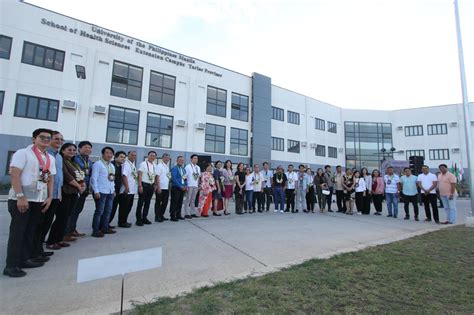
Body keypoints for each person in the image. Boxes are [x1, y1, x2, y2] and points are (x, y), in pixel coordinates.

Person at [4, 128, 56, 277]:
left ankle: (25, 259)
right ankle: (11, 265)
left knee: (30, 231)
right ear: (34, 139)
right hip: (21, 200)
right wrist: (20, 196)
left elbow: (50, 178)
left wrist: (50, 197)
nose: (46, 140)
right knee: (18, 233)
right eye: (42, 137)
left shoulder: (49, 158)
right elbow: (14, 174)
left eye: (48, 138)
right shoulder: (23, 153)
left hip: (39, 200)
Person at [47, 143, 86, 248]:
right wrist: (79, 186)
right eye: (69, 150)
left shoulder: (73, 163)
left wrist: (82, 184)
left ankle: (59, 239)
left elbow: (80, 175)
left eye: (74, 150)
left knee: (66, 217)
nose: (72, 152)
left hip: (74, 193)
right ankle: (51, 241)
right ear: (63, 150)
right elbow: (67, 176)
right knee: (61, 217)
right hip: (65, 192)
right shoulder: (61, 161)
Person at [38, 131, 63, 255]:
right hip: (44, 195)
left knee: (47, 222)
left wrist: (58, 194)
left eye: (61, 139)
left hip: (55, 195)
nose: (59, 141)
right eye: (56, 138)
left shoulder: (58, 157)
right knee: (40, 223)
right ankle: (35, 249)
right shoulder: (46, 155)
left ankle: (38, 249)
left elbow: (58, 177)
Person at [66, 140, 92, 238]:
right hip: (75, 188)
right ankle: (66, 232)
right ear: (80, 149)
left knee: (78, 210)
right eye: (85, 147)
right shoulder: (75, 159)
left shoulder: (89, 161)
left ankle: (72, 229)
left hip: (85, 189)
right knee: (71, 211)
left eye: (89, 148)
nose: (87, 149)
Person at [90, 147, 116, 237]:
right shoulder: (98, 164)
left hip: (110, 192)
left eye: (111, 153)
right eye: (107, 153)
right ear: (103, 154)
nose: (109, 155)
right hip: (101, 191)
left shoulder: (111, 165)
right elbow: (93, 178)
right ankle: (95, 230)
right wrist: (96, 191)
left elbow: (112, 179)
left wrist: (113, 190)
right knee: (99, 212)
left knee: (108, 211)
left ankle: (105, 228)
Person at [135, 151, 157, 226]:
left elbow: (154, 176)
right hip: (144, 185)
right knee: (141, 203)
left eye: (154, 156)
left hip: (151, 185)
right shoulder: (143, 164)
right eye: (151, 155)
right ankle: (138, 219)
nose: (152, 157)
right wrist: (140, 185)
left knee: (147, 203)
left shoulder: (154, 165)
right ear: (148, 156)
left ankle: (144, 218)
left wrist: (155, 185)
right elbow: (139, 175)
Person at [118, 151, 137, 227]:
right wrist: (126, 187)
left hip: (131, 190)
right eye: (132, 155)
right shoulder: (126, 164)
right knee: (124, 207)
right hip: (126, 190)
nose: (134, 156)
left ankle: (124, 220)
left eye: (135, 155)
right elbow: (124, 176)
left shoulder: (132, 165)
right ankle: (121, 222)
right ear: (128, 155)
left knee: (128, 207)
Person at [108, 151, 126, 228]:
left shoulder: (120, 166)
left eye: (124, 157)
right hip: (111, 190)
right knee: (109, 209)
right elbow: (110, 179)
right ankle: (103, 225)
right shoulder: (111, 165)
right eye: (121, 157)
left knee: (113, 208)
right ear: (115, 157)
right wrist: (113, 190)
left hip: (118, 190)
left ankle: (107, 224)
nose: (123, 159)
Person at [154, 153, 171, 222]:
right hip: (160, 187)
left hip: (166, 188)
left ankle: (161, 215)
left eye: (168, 158)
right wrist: (158, 187)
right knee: (158, 202)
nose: (167, 159)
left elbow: (168, 176)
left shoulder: (167, 167)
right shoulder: (159, 166)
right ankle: (157, 217)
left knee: (165, 203)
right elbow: (157, 176)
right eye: (166, 157)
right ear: (162, 158)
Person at [170, 155, 187, 221]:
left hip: (182, 188)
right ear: (177, 161)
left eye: (182, 160)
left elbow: (185, 178)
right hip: (176, 187)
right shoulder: (174, 168)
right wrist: (180, 186)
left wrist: (185, 185)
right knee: (174, 202)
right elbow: (174, 179)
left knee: (180, 202)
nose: (181, 161)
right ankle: (172, 216)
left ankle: (178, 215)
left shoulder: (183, 169)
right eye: (180, 160)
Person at [183, 154, 201, 219]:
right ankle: (186, 213)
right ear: (191, 159)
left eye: (197, 159)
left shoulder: (198, 167)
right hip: (189, 185)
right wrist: (185, 185)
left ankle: (193, 212)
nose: (196, 160)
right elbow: (184, 177)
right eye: (194, 158)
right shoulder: (187, 167)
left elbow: (198, 177)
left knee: (193, 200)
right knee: (188, 199)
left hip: (195, 185)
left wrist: (198, 185)